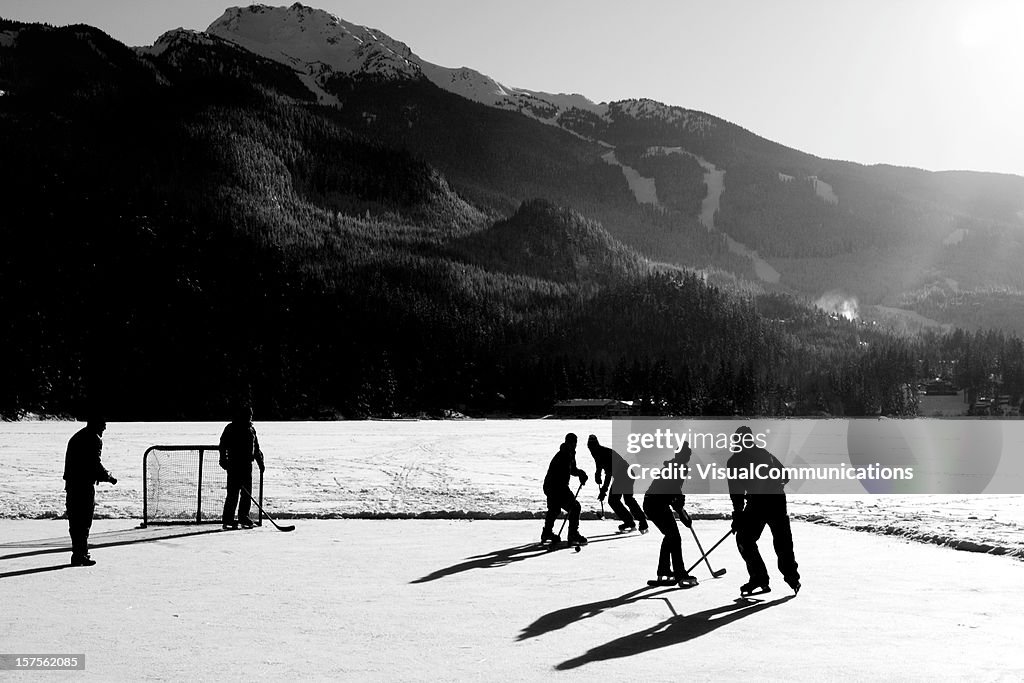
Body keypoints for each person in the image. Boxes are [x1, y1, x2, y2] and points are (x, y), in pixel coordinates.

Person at [727, 425, 801, 596]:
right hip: (775, 500)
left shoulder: (735, 461)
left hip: (759, 503)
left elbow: (736, 492)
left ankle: (759, 577)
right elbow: (785, 476)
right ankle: (792, 578)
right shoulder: (764, 453)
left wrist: (738, 514)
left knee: (745, 539)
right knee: (782, 541)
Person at [642, 441, 697, 588]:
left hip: (656, 503)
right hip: (655, 504)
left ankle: (664, 570)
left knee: (670, 536)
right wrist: (682, 513)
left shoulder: (677, 466)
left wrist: (682, 511)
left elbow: (674, 494)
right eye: (686, 455)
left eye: (689, 455)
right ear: (680, 455)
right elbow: (674, 493)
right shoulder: (678, 467)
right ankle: (679, 573)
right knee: (674, 537)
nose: (688, 457)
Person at [63, 418, 117, 567]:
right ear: (97, 424)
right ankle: (81, 555)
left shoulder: (77, 436)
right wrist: (108, 476)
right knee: (83, 520)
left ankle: (78, 553)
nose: (105, 429)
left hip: (72, 484)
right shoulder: (93, 439)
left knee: (75, 521)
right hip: (84, 485)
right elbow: (94, 464)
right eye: (104, 425)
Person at [586, 434, 648, 533]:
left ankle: (638, 522)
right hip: (623, 476)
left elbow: (609, 472)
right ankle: (633, 522)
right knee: (621, 499)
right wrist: (597, 475)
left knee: (620, 499)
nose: (590, 450)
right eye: (589, 447)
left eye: (591, 447)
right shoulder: (596, 452)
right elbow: (599, 465)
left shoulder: (604, 453)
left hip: (625, 475)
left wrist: (604, 490)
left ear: (596, 445)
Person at [219, 405, 265, 529]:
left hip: (247, 466)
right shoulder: (231, 428)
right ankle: (228, 518)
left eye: (251, 414)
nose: (250, 416)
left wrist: (260, 461)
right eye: (248, 414)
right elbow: (222, 445)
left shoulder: (251, 430)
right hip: (234, 465)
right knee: (233, 493)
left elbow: (256, 448)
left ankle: (243, 517)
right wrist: (223, 459)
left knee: (247, 494)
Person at [541, 433, 588, 546]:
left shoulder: (569, 453)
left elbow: (572, 470)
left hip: (553, 486)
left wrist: (580, 473)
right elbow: (559, 474)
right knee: (575, 507)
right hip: (555, 486)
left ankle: (547, 533)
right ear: (568, 442)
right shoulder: (564, 454)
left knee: (554, 509)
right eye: (572, 442)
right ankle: (572, 534)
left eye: (575, 442)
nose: (574, 445)